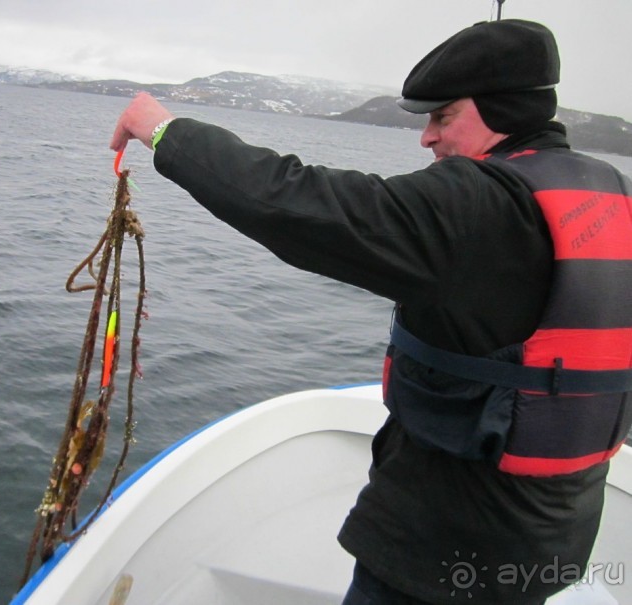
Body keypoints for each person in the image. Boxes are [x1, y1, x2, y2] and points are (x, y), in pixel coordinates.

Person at [111, 19, 632, 605]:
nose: (427, 138)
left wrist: (163, 131)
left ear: (499, 111)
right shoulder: (613, 191)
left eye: (442, 116)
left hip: (439, 557)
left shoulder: (481, 206)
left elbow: (296, 202)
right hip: (546, 546)